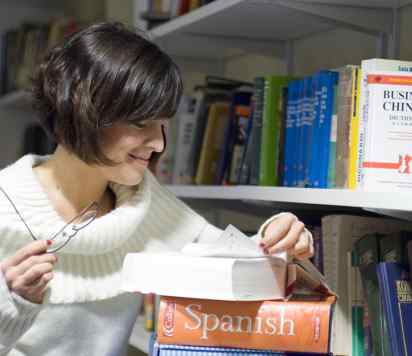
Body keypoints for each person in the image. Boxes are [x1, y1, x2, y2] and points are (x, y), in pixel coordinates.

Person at [0, 22, 313, 356]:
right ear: (81, 110)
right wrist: (13, 305)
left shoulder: (146, 202)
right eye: (140, 123)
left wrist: (280, 239)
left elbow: (236, 261)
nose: (158, 143)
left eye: (162, 125)